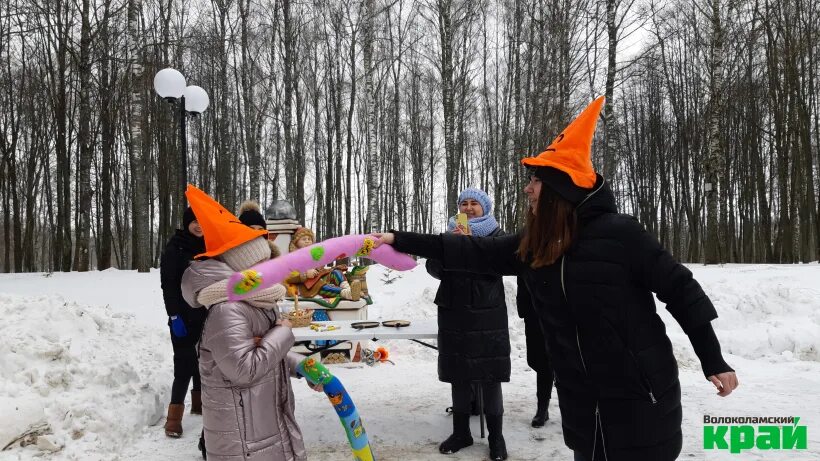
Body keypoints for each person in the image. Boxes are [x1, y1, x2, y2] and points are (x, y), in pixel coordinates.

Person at [373, 97, 738, 461]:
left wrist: (713, 359)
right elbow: (472, 251)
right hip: (580, 401)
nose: (528, 189)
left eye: (536, 182)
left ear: (561, 190)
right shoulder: (537, 245)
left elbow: (682, 290)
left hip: (639, 397)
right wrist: (398, 238)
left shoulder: (621, 235)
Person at [181, 185, 314, 461]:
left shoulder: (258, 301)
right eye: (265, 264)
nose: (272, 272)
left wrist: (300, 365)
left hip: (261, 430)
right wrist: (283, 331)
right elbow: (245, 368)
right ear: (246, 268)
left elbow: (266, 352)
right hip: (242, 441)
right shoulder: (228, 310)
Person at [426, 188, 510, 461]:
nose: (469, 208)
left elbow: (504, 264)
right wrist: (449, 245)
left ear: (485, 208)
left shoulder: (498, 236)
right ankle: (461, 432)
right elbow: (433, 268)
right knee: (458, 372)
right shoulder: (449, 234)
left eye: (475, 203)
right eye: (464, 203)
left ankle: (496, 437)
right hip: (454, 312)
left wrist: (472, 245)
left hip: (488, 313)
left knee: (490, 374)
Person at [159, 206, 206, 438]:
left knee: (203, 359)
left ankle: (199, 403)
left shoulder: (209, 247)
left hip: (207, 314)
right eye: (193, 221)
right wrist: (174, 315)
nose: (198, 225)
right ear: (187, 223)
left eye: (201, 221)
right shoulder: (175, 248)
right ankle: (174, 418)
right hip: (182, 317)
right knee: (184, 364)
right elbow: (168, 285)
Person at [285, 227, 361, 301]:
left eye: (309, 239)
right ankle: (347, 294)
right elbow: (289, 277)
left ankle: (350, 290)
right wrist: (305, 274)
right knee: (321, 286)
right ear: (296, 242)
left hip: (320, 277)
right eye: (303, 239)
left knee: (336, 272)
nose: (307, 241)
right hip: (308, 285)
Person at [516, 280, 553, 428]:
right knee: (536, 359)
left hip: (556, 306)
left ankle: (543, 408)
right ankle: (543, 407)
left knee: (556, 361)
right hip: (532, 308)